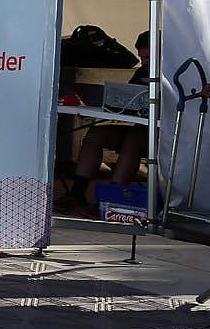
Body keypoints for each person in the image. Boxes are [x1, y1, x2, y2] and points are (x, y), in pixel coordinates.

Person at [62, 30, 151, 213]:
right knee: (96, 133)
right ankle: (77, 193)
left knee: (133, 139)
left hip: (162, 136)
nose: (144, 62)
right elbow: (130, 98)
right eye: (142, 58)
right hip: (139, 127)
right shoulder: (143, 72)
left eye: (148, 57)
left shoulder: (171, 74)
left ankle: (114, 198)